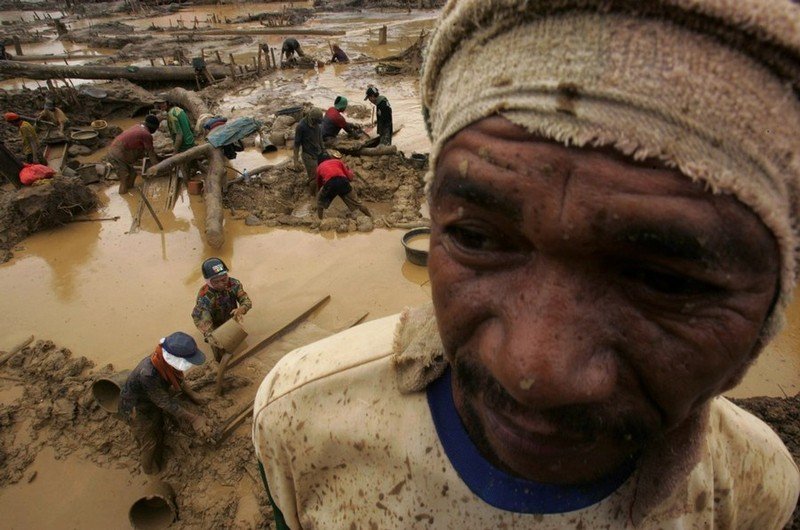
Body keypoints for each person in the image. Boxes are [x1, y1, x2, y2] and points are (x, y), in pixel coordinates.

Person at [254, 0, 800, 528]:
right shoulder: (300, 422)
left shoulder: (752, 488)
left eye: (663, 280)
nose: (531, 373)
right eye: (475, 238)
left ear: (769, 314)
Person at [119, 331, 210, 475]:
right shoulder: (148, 373)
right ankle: (151, 473)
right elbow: (165, 403)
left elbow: (178, 377)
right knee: (150, 442)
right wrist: (194, 419)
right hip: (136, 408)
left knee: (160, 425)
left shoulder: (164, 360)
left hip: (152, 397)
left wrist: (193, 394)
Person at [192, 257, 252, 395]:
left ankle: (234, 364)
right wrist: (211, 336)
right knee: (219, 353)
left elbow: (246, 300)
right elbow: (202, 320)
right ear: (209, 281)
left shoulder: (234, 284)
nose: (221, 283)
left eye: (223, 278)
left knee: (237, 347)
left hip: (232, 320)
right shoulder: (204, 297)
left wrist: (241, 309)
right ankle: (221, 377)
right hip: (215, 327)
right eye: (216, 281)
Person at [107, 115, 160, 194]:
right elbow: (151, 153)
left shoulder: (138, 126)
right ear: (153, 127)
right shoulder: (146, 134)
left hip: (118, 150)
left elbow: (146, 150)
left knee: (133, 173)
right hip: (117, 154)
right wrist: (158, 168)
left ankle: (130, 191)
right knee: (124, 177)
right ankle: (123, 195)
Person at [314, 152, 371, 219]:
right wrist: (350, 171)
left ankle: (320, 221)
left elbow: (319, 183)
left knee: (320, 204)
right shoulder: (338, 162)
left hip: (330, 183)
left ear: (319, 161)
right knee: (358, 203)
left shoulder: (319, 167)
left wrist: (320, 194)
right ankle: (370, 217)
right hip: (343, 181)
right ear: (329, 158)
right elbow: (350, 177)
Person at [292, 107, 324, 196]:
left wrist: (323, 150)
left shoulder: (317, 124)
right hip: (308, 155)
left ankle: (312, 183)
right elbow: (296, 144)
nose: (319, 123)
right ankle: (312, 197)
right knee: (314, 178)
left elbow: (320, 137)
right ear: (313, 119)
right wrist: (295, 161)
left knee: (321, 173)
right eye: (318, 121)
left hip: (318, 152)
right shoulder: (301, 126)